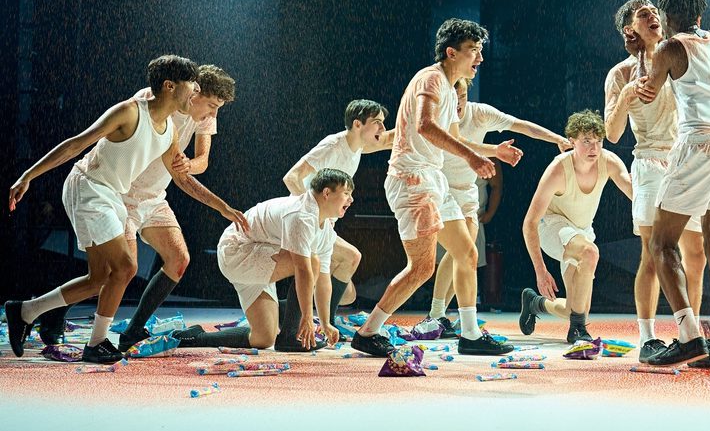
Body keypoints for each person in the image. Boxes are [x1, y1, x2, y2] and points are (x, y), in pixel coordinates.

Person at [6, 55, 248, 363]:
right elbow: (76, 143)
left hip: (124, 194)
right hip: (94, 187)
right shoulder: (132, 110)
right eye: (193, 88)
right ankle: (95, 344)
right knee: (124, 268)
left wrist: (223, 207)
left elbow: (183, 178)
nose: (196, 94)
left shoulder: (170, 132)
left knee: (102, 278)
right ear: (171, 87)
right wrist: (28, 175)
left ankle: (26, 311)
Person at [351, 18, 522, 358]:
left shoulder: (450, 86)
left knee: (467, 253)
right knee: (422, 267)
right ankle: (368, 332)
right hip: (413, 180)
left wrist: (491, 151)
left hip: (433, 179)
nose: (480, 59)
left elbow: (455, 138)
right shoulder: (431, 79)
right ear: (451, 52)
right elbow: (425, 126)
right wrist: (473, 159)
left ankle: (470, 335)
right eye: (473, 51)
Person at [637, 0, 710, 368]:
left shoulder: (667, 48)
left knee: (661, 246)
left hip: (697, 144)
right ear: (699, 15)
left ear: (666, 18)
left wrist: (642, 56)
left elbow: (648, 92)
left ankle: (688, 335)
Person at [605, 0, 706, 363]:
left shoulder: (679, 54)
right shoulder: (619, 74)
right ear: (630, 29)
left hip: (685, 159)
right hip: (648, 161)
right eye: (643, 14)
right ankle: (647, 336)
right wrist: (629, 93)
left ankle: (688, 333)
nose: (653, 16)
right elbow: (612, 134)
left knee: (695, 253)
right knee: (651, 254)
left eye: (654, 11)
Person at [428, 78, 570, 336]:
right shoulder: (438, 116)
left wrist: (556, 139)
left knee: (463, 252)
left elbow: (522, 125)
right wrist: (495, 150)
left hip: (467, 190)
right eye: (452, 97)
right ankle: (436, 315)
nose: (456, 103)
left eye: (460, 97)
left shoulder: (480, 113)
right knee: (458, 251)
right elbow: (458, 143)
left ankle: (439, 315)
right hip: (441, 188)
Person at [174, 168, 354, 351]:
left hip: (260, 255)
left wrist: (325, 324)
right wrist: (307, 317)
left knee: (263, 338)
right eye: (346, 193)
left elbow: (323, 278)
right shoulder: (302, 215)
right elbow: (303, 269)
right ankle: (290, 335)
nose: (351, 199)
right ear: (326, 193)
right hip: (238, 252)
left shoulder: (326, 230)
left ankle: (196, 337)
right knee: (310, 262)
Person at [276, 100, 393, 351]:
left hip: (322, 222)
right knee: (343, 259)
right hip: (302, 222)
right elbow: (291, 177)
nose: (383, 128)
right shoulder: (333, 145)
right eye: (378, 122)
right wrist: (309, 214)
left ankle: (310, 323)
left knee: (348, 293)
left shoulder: (358, 145)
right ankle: (298, 331)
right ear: (357, 124)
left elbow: (392, 139)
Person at [519, 110, 632, 343]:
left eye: (598, 141)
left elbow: (635, 194)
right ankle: (578, 332)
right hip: (551, 227)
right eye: (586, 141)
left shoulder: (609, 161)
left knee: (576, 308)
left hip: (581, 231)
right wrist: (540, 271)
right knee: (590, 252)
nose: (594, 148)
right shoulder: (558, 168)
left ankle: (534, 303)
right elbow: (529, 222)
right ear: (572, 141)